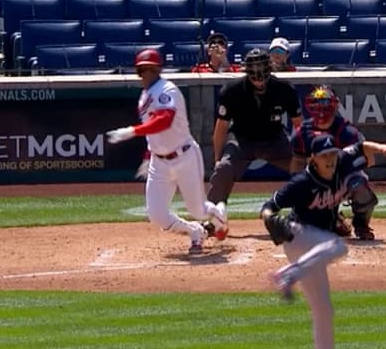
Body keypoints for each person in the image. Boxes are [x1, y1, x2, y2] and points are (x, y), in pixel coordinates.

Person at [260, 133, 366, 349]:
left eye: (332, 155)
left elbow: (364, 147)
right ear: (313, 159)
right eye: (324, 156)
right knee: (338, 246)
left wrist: (385, 148)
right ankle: (288, 274)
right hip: (298, 237)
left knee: (324, 311)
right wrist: (271, 220)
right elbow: (268, 206)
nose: (329, 160)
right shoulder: (302, 182)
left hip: (314, 246)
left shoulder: (343, 163)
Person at [105, 48, 227, 255]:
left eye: (150, 70)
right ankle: (195, 231)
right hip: (159, 162)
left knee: (197, 210)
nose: (146, 74)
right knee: (157, 215)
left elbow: (164, 121)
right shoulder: (144, 97)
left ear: (158, 69)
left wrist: (132, 131)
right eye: (142, 70)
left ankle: (220, 215)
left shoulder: (167, 90)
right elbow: (153, 134)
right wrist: (147, 155)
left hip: (185, 156)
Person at [204, 47, 302, 240]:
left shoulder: (285, 89)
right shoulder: (231, 91)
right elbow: (221, 127)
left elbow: (299, 126)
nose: (259, 80)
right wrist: (217, 158)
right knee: (223, 168)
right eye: (255, 75)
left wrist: (303, 154)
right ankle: (213, 220)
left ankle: (312, 214)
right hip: (242, 140)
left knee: (305, 168)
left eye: (263, 75)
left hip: (275, 140)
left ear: (269, 70)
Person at [289, 85, 386, 240]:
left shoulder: (347, 131)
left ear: (334, 106)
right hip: (316, 182)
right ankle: (334, 219)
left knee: (359, 185)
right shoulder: (302, 133)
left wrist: (381, 149)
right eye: (317, 104)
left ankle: (361, 225)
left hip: (343, 178)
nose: (321, 110)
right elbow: (297, 161)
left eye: (325, 104)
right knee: (306, 230)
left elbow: (368, 159)